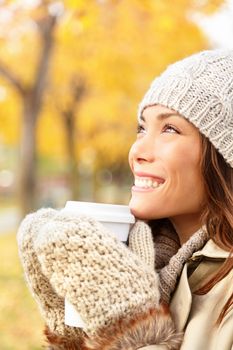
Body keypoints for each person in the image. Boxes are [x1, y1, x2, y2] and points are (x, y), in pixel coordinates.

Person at [17, 48, 233, 350]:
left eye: (169, 128)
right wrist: (73, 334)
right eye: (141, 128)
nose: (138, 152)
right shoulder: (140, 262)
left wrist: (132, 330)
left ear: (224, 156)